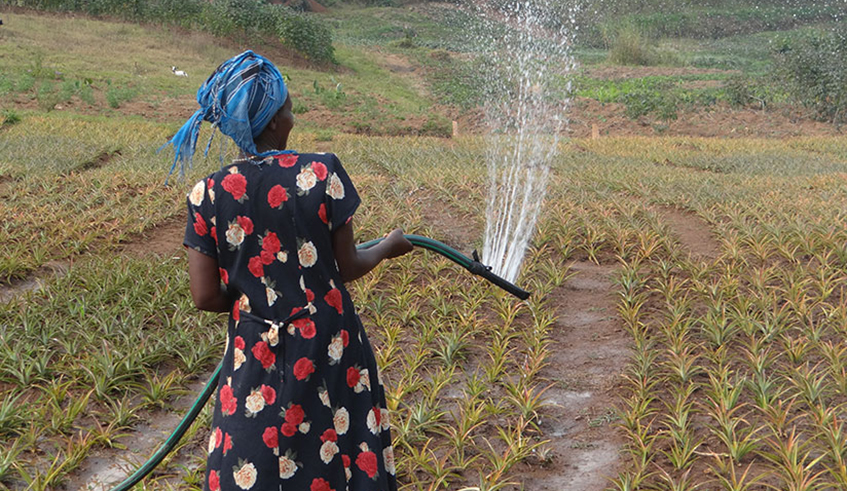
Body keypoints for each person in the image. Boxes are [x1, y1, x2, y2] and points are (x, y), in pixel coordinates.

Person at [164, 50, 413, 491]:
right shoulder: (320, 172)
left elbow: (204, 297)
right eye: (289, 107)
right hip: (330, 345)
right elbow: (349, 265)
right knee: (342, 446)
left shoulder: (207, 193)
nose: (293, 116)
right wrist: (389, 247)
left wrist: (251, 305)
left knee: (253, 450)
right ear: (274, 121)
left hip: (255, 348)